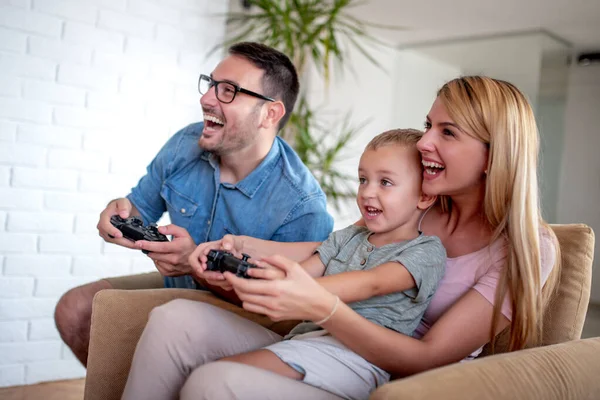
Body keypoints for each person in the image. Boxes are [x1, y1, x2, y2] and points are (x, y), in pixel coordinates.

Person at [129, 75, 560, 400]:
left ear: (495, 153)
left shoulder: (525, 248)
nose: (425, 141)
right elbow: (326, 252)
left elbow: (427, 357)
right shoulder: (417, 202)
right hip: (319, 338)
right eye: (429, 125)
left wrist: (320, 302)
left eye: (448, 132)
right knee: (174, 319)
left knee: (214, 381)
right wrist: (236, 249)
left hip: (385, 375)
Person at [53, 42, 334, 366]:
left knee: (158, 322)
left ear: (270, 113)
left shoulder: (301, 205)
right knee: (75, 311)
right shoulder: (187, 142)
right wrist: (119, 213)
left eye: (228, 90)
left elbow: (285, 314)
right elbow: (139, 207)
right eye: (211, 84)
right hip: (181, 284)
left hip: (248, 316)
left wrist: (194, 266)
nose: (206, 98)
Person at [121, 129, 447, 400]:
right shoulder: (350, 237)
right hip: (304, 342)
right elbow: (303, 272)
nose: (367, 192)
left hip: (355, 361)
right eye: (363, 180)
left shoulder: (426, 251)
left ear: (424, 196)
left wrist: (294, 290)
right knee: (172, 315)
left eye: (385, 183)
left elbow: (371, 283)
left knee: (212, 378)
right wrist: (241, 273)